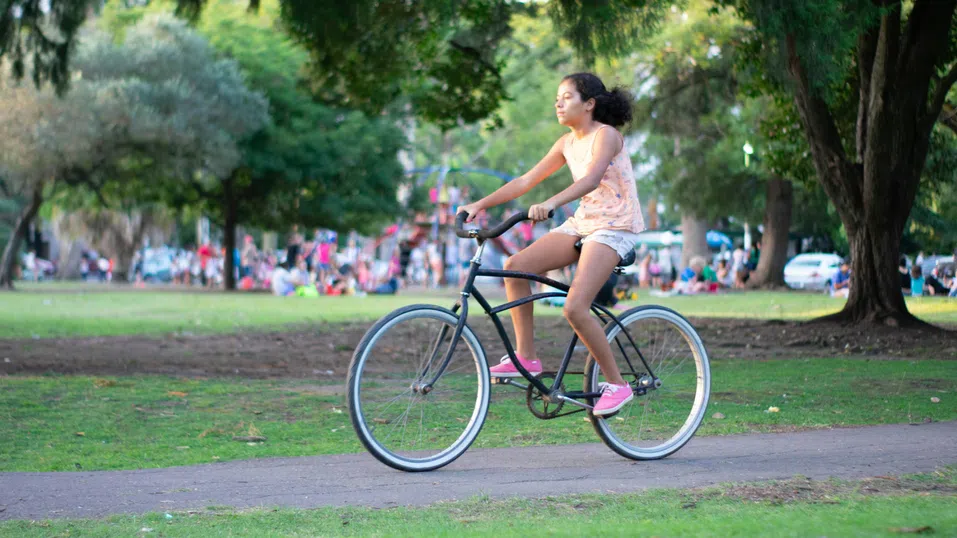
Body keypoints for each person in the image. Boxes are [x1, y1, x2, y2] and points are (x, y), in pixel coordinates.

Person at [457, 72, 643, 416]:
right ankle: (525, 358)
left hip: (615, 225)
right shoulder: (566, 142)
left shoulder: (607, 136)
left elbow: (590, 179)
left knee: (574, 307)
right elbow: (526, 180)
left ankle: (617, 384)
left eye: (567, 97)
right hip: (583, 223)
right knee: (515, 267)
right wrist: (480, 204)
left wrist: (552, 203)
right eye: (557, 97)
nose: (558, 103)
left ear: (589, 104)